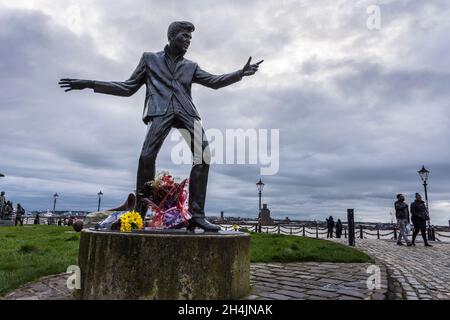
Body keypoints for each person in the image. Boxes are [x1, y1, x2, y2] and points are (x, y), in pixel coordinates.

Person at [59, 21, 262, 232]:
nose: (188, 41)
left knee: (203, 157)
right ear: (171, 36)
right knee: (146, 157)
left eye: (190, 38)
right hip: (160, 111)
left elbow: (214, 81)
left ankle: (197, 215)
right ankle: (139, 213)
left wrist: (240, 73)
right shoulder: (150, 59)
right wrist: (90, 84)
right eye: (185, 36)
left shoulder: (191, 66)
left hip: (187, 112)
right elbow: (127, 88)